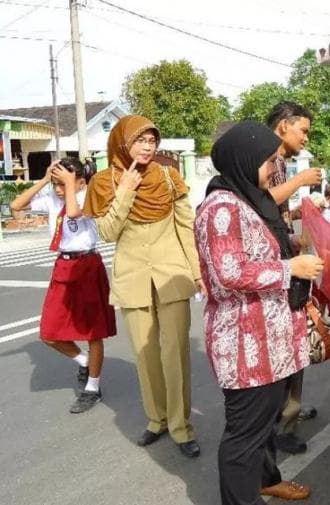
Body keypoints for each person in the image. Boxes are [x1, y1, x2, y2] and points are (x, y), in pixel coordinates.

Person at [195, 121, 321, 504]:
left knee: (264, 424)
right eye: (269, 162)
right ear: (245, 160)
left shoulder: (248, 197)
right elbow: (227, 273)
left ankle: (266, 479)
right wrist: (290, 269)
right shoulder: (221, 208)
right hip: (246, 343)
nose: (274, 170)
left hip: (269, 339)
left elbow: (255, 248)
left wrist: (291, 244)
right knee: (244, 437)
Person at [83, 115, 202, 458]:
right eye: (140, 141)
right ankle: (157, 420)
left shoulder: (168, 176)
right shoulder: (104, 182)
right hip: (133, 277)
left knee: (175, 352)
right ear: (123, 143)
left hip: (172, 274)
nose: (148, 147)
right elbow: (107, 233)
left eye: (152, 141)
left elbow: (186, 227)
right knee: (145, 354)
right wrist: (124, 193)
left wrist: (197, 272)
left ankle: (181, 427)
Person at [12, 158, 115, 414]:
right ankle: (84, 362)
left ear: (80, 181)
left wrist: (71, 184)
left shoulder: (88, 196)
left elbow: (72, 212)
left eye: (63, 184)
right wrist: (46, 179)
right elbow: (16, 206)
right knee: (49, 333)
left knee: (93, 333)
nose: (58, 190)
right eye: (56, 184)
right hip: (64, 266)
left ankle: (92, 388)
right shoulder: (53, 198)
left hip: (88, 265)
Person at [266, 101, 324, 454]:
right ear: (284, 126)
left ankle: (288, 412)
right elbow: (261, 201)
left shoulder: (280, 162)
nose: (305, 137)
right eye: (303, 130)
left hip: (283, 255)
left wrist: (293, 236)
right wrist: (302, 181)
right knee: (286, 344)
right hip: (275, 267)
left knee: (292, 342)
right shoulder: (265, 160)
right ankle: (283, 420)